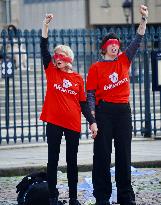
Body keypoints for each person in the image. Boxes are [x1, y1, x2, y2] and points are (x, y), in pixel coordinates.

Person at [86, 5, 148, 205]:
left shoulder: (124, 60)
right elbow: (90, 95)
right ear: (104, 48)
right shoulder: (95, 68)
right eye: (112, 44)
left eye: (117, 44)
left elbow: (137, 40)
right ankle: (102, 197)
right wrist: (93, 120)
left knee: (124, 155)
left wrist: (144, 19)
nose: (116, 46)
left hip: (123, 112)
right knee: (102, 156)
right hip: (104, 112)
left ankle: (125, 196)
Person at [40, 14, 98, 205]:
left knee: (72, 161)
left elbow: (82, 103)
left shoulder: (78, 79)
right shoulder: (51, 71)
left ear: (69, 59)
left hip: (73, 123)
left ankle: (73, 198)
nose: (57, 58)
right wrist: (45, 26)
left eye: (61, 55)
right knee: (52, 160)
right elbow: (43, 48)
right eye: (56, 55)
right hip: (54, 122)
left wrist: (92, 122)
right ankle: (52, 198)